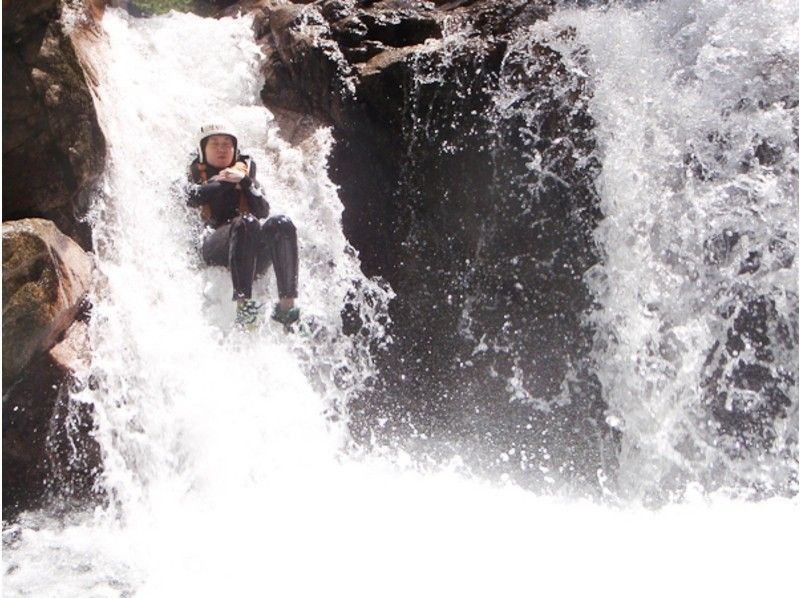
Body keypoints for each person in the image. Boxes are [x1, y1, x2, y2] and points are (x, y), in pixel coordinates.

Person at [185, 121, 300, 328]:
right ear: (202, 149)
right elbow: (193, 198)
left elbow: (263, 211)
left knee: (281, 223)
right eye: (215, 144)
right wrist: (227, 181)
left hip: (248, 245)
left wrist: (245, 182)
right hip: (215, 246)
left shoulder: (245, 176)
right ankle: (245, 309)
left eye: (227, 144)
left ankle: (287, 310)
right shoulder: (193, 176)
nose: (222, 149)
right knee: (245, 223)